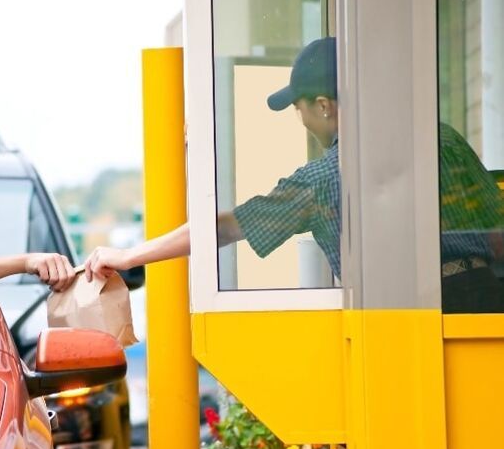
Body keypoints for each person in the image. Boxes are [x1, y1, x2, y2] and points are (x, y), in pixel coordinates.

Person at [84, 36, 504, 313]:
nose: (300, 119)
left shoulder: (324, 179)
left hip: (403, 321)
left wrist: (128, 256)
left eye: (299, 108)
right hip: (488, 306)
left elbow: (228, 227)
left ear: (324, 106)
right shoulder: (442, 139)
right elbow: (497, 236)